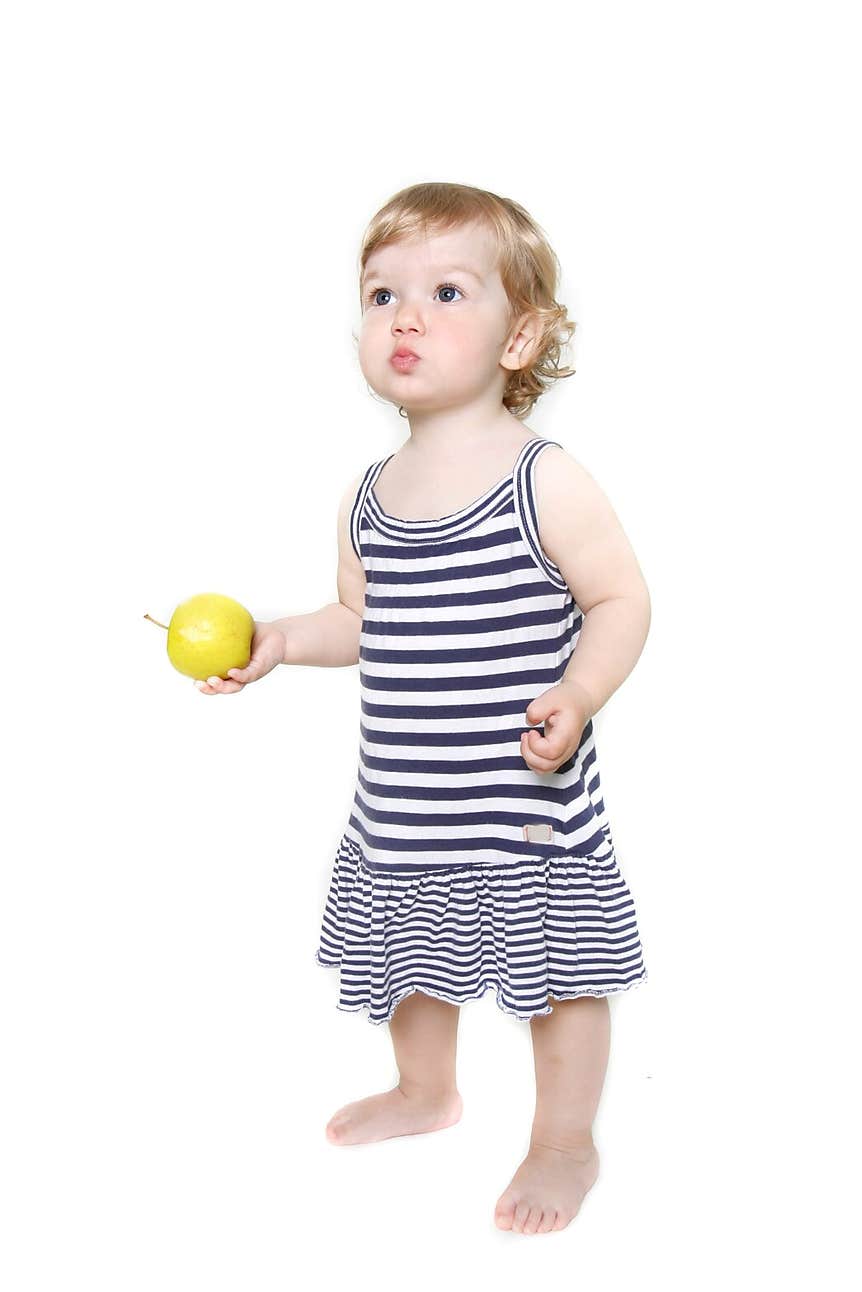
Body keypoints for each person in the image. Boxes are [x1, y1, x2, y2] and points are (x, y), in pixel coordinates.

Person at [196, 182, 651, 1235]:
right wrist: (279, 641)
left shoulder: (544, 481)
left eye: (447, 291)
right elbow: (363, 621)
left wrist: (579, 692)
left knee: (559, 976)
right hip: (405, 799)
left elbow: (621, 599)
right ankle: (426, 1090)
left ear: (518, 335)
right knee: (408, 948)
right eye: (381, 292)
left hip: (522, 804)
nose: (405, 315)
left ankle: (563, 1140)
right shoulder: (369, 494)